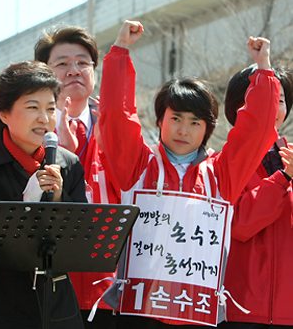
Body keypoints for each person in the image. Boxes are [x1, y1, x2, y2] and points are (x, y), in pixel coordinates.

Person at [98, 20, 280, 328]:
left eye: (195, 122)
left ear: (208, 129)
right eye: (176, 118)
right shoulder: (138, 166)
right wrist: (121, 51)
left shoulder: (221, 173)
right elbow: (115, 114)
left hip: (196, 310)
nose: (183, 130)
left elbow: (257, 130)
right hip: (140, 311)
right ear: (160, 120)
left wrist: (263, 68)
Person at [0, 61, 86, 329]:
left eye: (50, 108)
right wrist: (27, 203)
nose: (44, 118)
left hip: (54, 305)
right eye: (32, 107)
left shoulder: (68, 164)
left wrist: (59, 199)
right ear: (4, 113)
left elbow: (78, 239)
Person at [35, 25, 120, 328]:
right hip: (49, 284)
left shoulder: (117, 126)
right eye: (62, 63)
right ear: (44, 72)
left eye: (83, 62)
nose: (74, 71)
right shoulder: (30, 129)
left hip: (106, 289)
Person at [217, 65, 293, 328]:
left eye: (280, 100)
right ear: (239, 108)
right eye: (261, 98)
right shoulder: (222, 163)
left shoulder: (290, 158)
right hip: (240, 311)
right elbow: (240, 224)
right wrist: (283, 179)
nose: (271, 106)